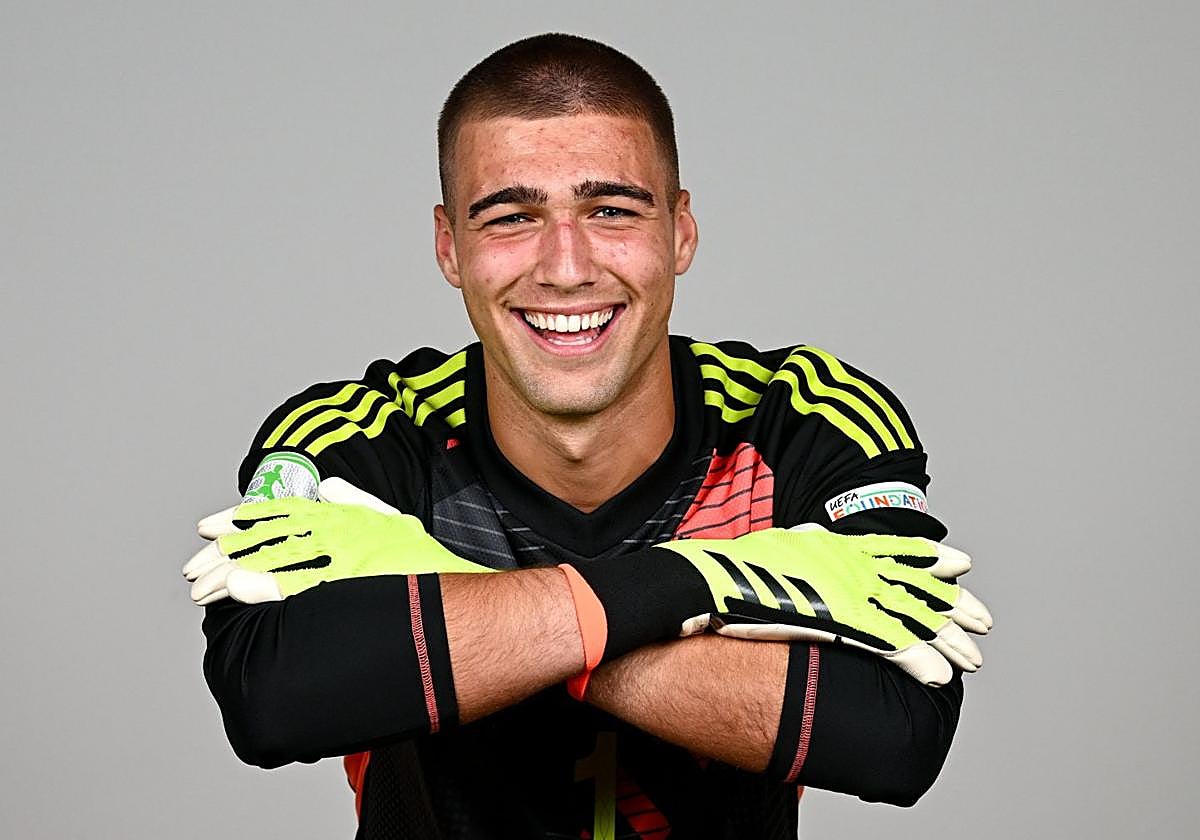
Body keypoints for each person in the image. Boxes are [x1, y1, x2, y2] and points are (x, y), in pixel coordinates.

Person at [184, 33, 992, 840]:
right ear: (448, 247)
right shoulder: (363, 436)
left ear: (680, 231)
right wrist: (708, 582)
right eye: (510, 215)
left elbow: (895, 737)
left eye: (610, 211)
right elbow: (273, 696)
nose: (565, 266)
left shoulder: (802, 418)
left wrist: (445, 590)